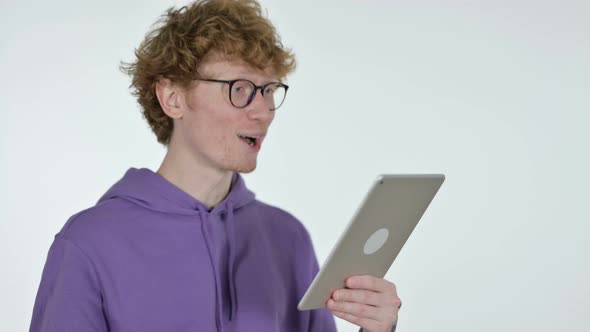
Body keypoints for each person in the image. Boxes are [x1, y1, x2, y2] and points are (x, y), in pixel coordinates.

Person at [29, 1, 401, 331]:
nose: (264, 111)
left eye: (270, 90)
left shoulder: (288, 239)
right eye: (240, 88)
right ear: (172, 97)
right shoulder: (89, 243)